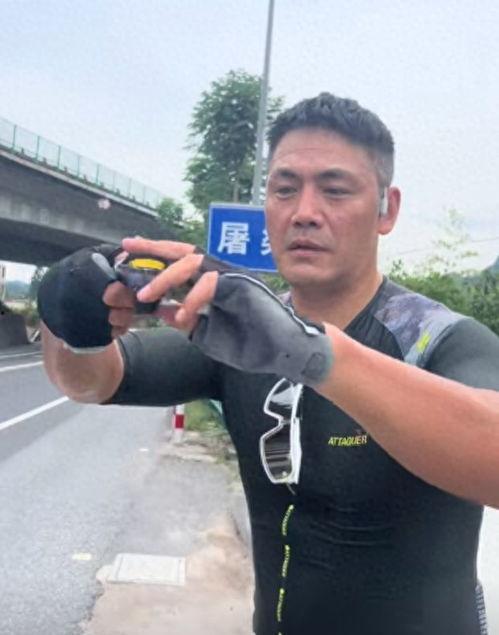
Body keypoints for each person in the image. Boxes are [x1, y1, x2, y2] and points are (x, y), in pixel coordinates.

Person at [38, 93, 499, 635]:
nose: (304, 212)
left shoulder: (438, 337)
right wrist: (71, 316)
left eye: (335, 190)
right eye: (284, 189)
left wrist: (313, 353)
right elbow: (95, 381)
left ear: (387, 209)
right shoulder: (242, 333)